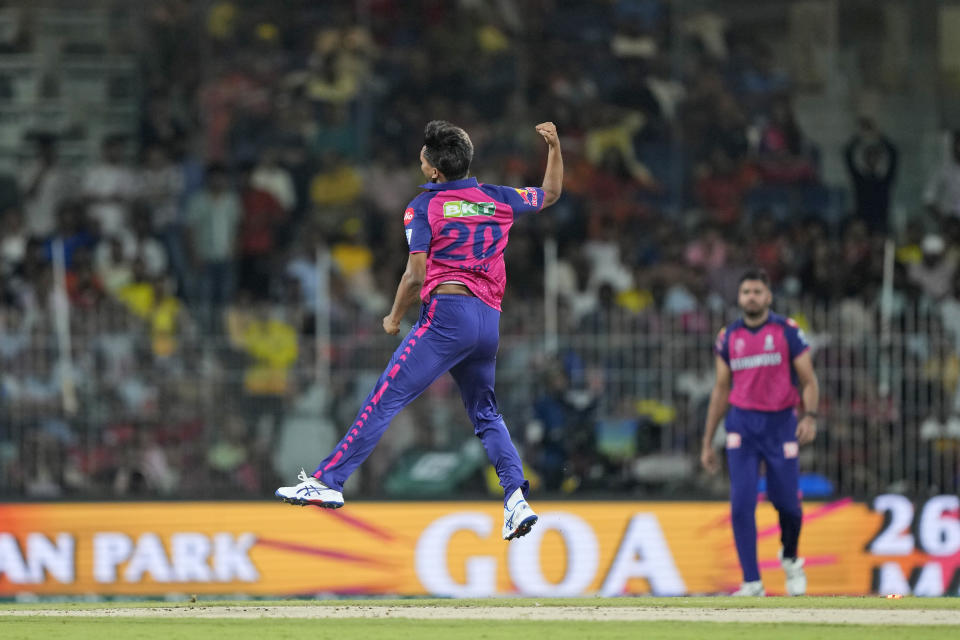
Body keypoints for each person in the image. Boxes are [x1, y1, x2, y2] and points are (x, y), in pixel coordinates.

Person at [276, 120, 563, 541]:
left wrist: (394, 317)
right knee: (486, 414)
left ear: (433, 170)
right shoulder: (496, 198)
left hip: (448, 314)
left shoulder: (423, 207)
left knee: (384, 398)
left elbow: (414, 275)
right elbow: (551, 193)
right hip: (488, 320)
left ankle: (328, 482)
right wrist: (554, 148)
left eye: (423, 156)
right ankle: (515, 499)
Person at [700, 268, 820, 596]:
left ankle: (791, 558)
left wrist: (809, 416)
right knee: (740, 504)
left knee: (789, 506)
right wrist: (707, 441)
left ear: (768, 296)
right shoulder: (728, 337)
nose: (751, 297)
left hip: (781, 424)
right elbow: (721, 390)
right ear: (739, 298)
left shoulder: (788, 331)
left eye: (757, 292)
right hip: (741, 426)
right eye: (746, 292)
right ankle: (752, 582)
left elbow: (809, 380)